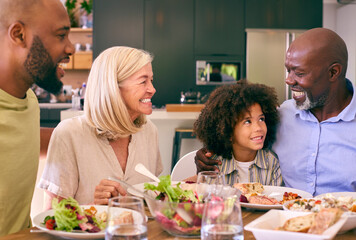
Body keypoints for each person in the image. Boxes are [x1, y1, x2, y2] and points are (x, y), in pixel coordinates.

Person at [194, 28, 356, 196]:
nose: (288, 80)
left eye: (299, 73)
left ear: (333, 72)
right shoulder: (281, 116)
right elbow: (240, 139)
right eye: (288, 70)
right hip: (282, 219)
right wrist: (209, 155)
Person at [39, 46, 163, 207]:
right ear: (113, 87)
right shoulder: (68, 134)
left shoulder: (149, 131)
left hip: (139, 232)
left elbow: (152, 202)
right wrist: (93, 207)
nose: (152, 89)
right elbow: (51, 217)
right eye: (143, 81)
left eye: (151, 80)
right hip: (93, 233)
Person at [0, 0, 74, 236]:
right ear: (19, 35)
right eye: (61, 35)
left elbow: (23, 141)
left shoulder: (29, 100)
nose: (71, 48)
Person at [193, 82, 282, 186]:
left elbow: (277, 200)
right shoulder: (214, 165)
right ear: (228, 131)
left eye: (261, 119)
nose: (258, 128)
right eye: (247, 121)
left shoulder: (273, 164)